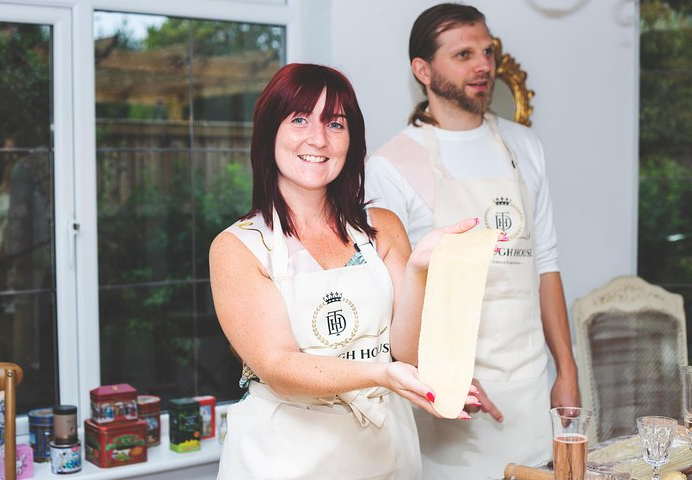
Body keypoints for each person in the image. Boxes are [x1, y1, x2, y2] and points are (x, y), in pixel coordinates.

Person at [208, 63, 490, 479]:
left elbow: (408, 353)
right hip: (284, 457)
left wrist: (417, 270)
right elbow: (279, 367)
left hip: (386, 452)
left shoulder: (381, 228)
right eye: (300, 119)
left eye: (335, 124)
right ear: (270, 133)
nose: (318, 139)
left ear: (351, 140)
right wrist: (381, 373)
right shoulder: (239, 247)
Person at [365, 4, 581, 478]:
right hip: (452, 404)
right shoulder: (391, 165)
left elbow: (545, 264)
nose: (484, 65)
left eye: (487, 51)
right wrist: (446, 378)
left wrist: (566, 371)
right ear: (423, 70)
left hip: (529, 388)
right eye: (463, 54)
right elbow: (392, 298)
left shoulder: (525, 147)